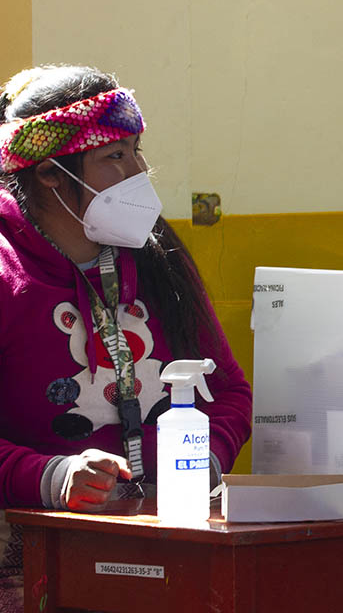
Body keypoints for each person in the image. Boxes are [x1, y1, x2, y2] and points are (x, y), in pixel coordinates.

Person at [0, 66, 252, 609]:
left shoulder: (156, 253)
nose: (141, 171)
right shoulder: (6, 272)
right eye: (115, 157)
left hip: (169, 545)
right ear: (49, 174)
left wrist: (201, 455)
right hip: (32, 562)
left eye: (137, 150)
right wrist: (52, 476)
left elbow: (230, 391)